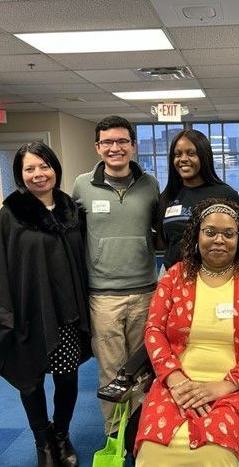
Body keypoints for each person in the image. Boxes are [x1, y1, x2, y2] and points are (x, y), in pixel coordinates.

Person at [135, 198, 239, 466]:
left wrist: (226, 385)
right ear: (197, 235)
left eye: (229, 234)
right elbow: (154, 330)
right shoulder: (175, 276)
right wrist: (175, 379)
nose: (219, 240)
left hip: (237, 388)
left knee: (214, 453)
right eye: (210, 232)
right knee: (154, 451)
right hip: (177, 385)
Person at [0, 141, 90, 467]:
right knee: (29, 377)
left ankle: (61, 436)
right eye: (29, 169)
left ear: (55, 169)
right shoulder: (11, 215)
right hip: (27, 312)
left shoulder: (71, 210)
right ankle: (42, 441)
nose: (38, 174)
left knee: (67, 377)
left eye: (43, 166)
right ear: (20, 175)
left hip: (65, 313)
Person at [72, 115, 160, 434]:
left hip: (145, 292)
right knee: (111, 370)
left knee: (141, 367)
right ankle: (114, 432)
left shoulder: (150, 185)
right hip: (103, 296)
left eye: (122, 141)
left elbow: (159, 232)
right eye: (107, 142)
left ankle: (139, 427)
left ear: (133, 146)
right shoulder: (82, 185)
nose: (115, 148)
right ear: (98, 147)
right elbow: (73, 236)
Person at [159, 129, 239, 270]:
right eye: (177, 154)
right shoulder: (168, 196)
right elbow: (165, 240)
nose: (183, 159)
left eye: (191, 153)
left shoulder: (225, 194)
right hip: (172, 276)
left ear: (204, 157)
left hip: (212, 276)